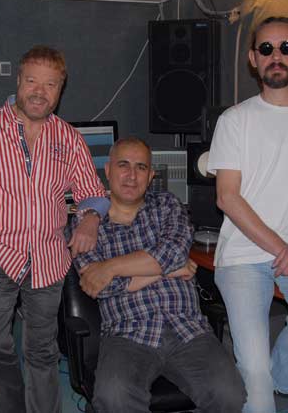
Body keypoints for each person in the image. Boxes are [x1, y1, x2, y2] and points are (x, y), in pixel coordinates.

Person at [0, 45, 110, 413]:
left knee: (42, 350)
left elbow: (92, 192)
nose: (40, 92)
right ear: (19, 81)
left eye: (50, 85)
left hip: (48, 258)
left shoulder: (68, 137)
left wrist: (89, 219)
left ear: (60, 90)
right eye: (32, 81)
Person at [206, 16, 288, 413]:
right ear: (253, 58)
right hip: (243, 256)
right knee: (254, 373)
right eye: (266, 49)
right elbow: (227, 198)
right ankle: (261, 386)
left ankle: (275, 380)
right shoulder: (234, 120)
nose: (275, 56)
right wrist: (285, 249)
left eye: (285, 48)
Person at [72, 137, 246, 413]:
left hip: (187, 327)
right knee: (114, 398)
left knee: (229, 394)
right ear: (108, 170)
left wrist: (110, 267)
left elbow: (173, 251)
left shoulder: (167, 205)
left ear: (151, 175)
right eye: (123, 165)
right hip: (127, 332)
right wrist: (170, 269)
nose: (132, 175)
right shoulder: (87, 224)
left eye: (141, 167)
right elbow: (97, 285)